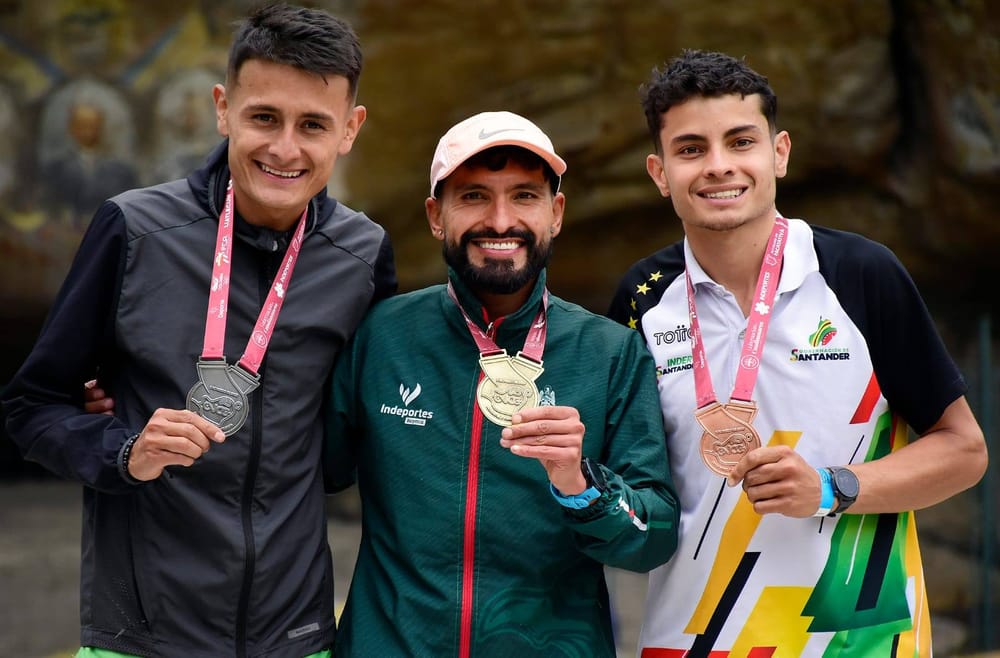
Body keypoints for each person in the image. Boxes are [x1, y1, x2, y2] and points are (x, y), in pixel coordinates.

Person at [1, 4, 396, 657]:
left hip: (295, 638)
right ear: (222, 108)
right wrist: (123, 449)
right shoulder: (134, 230)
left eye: (313, 124)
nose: (285, 148)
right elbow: (30, 406)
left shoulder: (362, 254)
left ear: (350, 129)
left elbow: (355, 429)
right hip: (140, 639)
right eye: (264, 117)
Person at [607, 49, 987, 655]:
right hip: (690, 640)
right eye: (690, 149)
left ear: (779, 153)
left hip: (857, 642)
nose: (718, 166)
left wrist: (834, 488)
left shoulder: (859, 273)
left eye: (740, 141)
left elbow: (964, 451)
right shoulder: (642, 299)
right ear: (659, 172)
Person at [323, 111, 680, 657]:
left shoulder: (609, 352)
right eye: (472, 197)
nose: (499, 220)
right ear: (435, 216)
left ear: (555, 213)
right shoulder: (381, 336)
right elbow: (305, 474)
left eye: (524, 196)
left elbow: (650, 539)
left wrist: (579, 482)